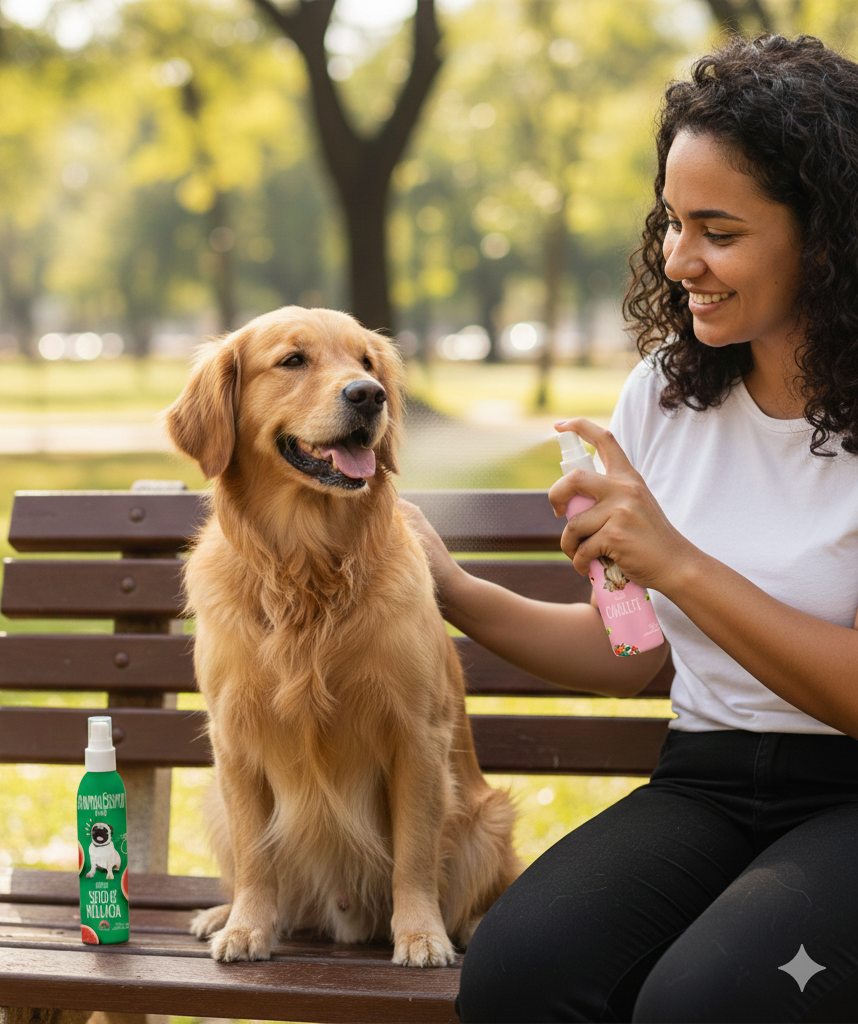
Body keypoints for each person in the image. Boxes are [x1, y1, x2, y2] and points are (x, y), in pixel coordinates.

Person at [401, 34, 858, 1022]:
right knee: (519, 973)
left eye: (718, 231)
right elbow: (628, 654)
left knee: (706, 1002)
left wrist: (678, 563)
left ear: (825, 237)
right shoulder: (664, 395)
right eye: (670, 221)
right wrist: (451, 590)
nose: (678, 258)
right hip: (706, 779)